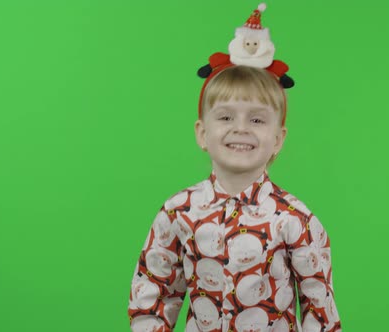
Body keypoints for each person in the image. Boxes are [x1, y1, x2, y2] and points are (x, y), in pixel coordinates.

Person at [128, 4, 342, 332]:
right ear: (202, 133)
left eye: (257, 119)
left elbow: (319, 308)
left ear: (278, 138)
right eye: (226, 117)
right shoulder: (177, 213)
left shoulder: (296, 220)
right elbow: (154, 292)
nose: (240, 128)